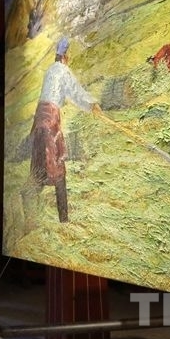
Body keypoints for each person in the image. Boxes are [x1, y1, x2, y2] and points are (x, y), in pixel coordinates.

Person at [26, 37, 102, 223]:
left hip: (39, 122)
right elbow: (75, 92)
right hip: (50, 123)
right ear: (65, 56)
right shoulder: (63, 71)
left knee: (40, 168)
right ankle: (64, 220)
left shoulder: (49, 71)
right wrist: (92, 105)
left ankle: (28, 207)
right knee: (58, 171)